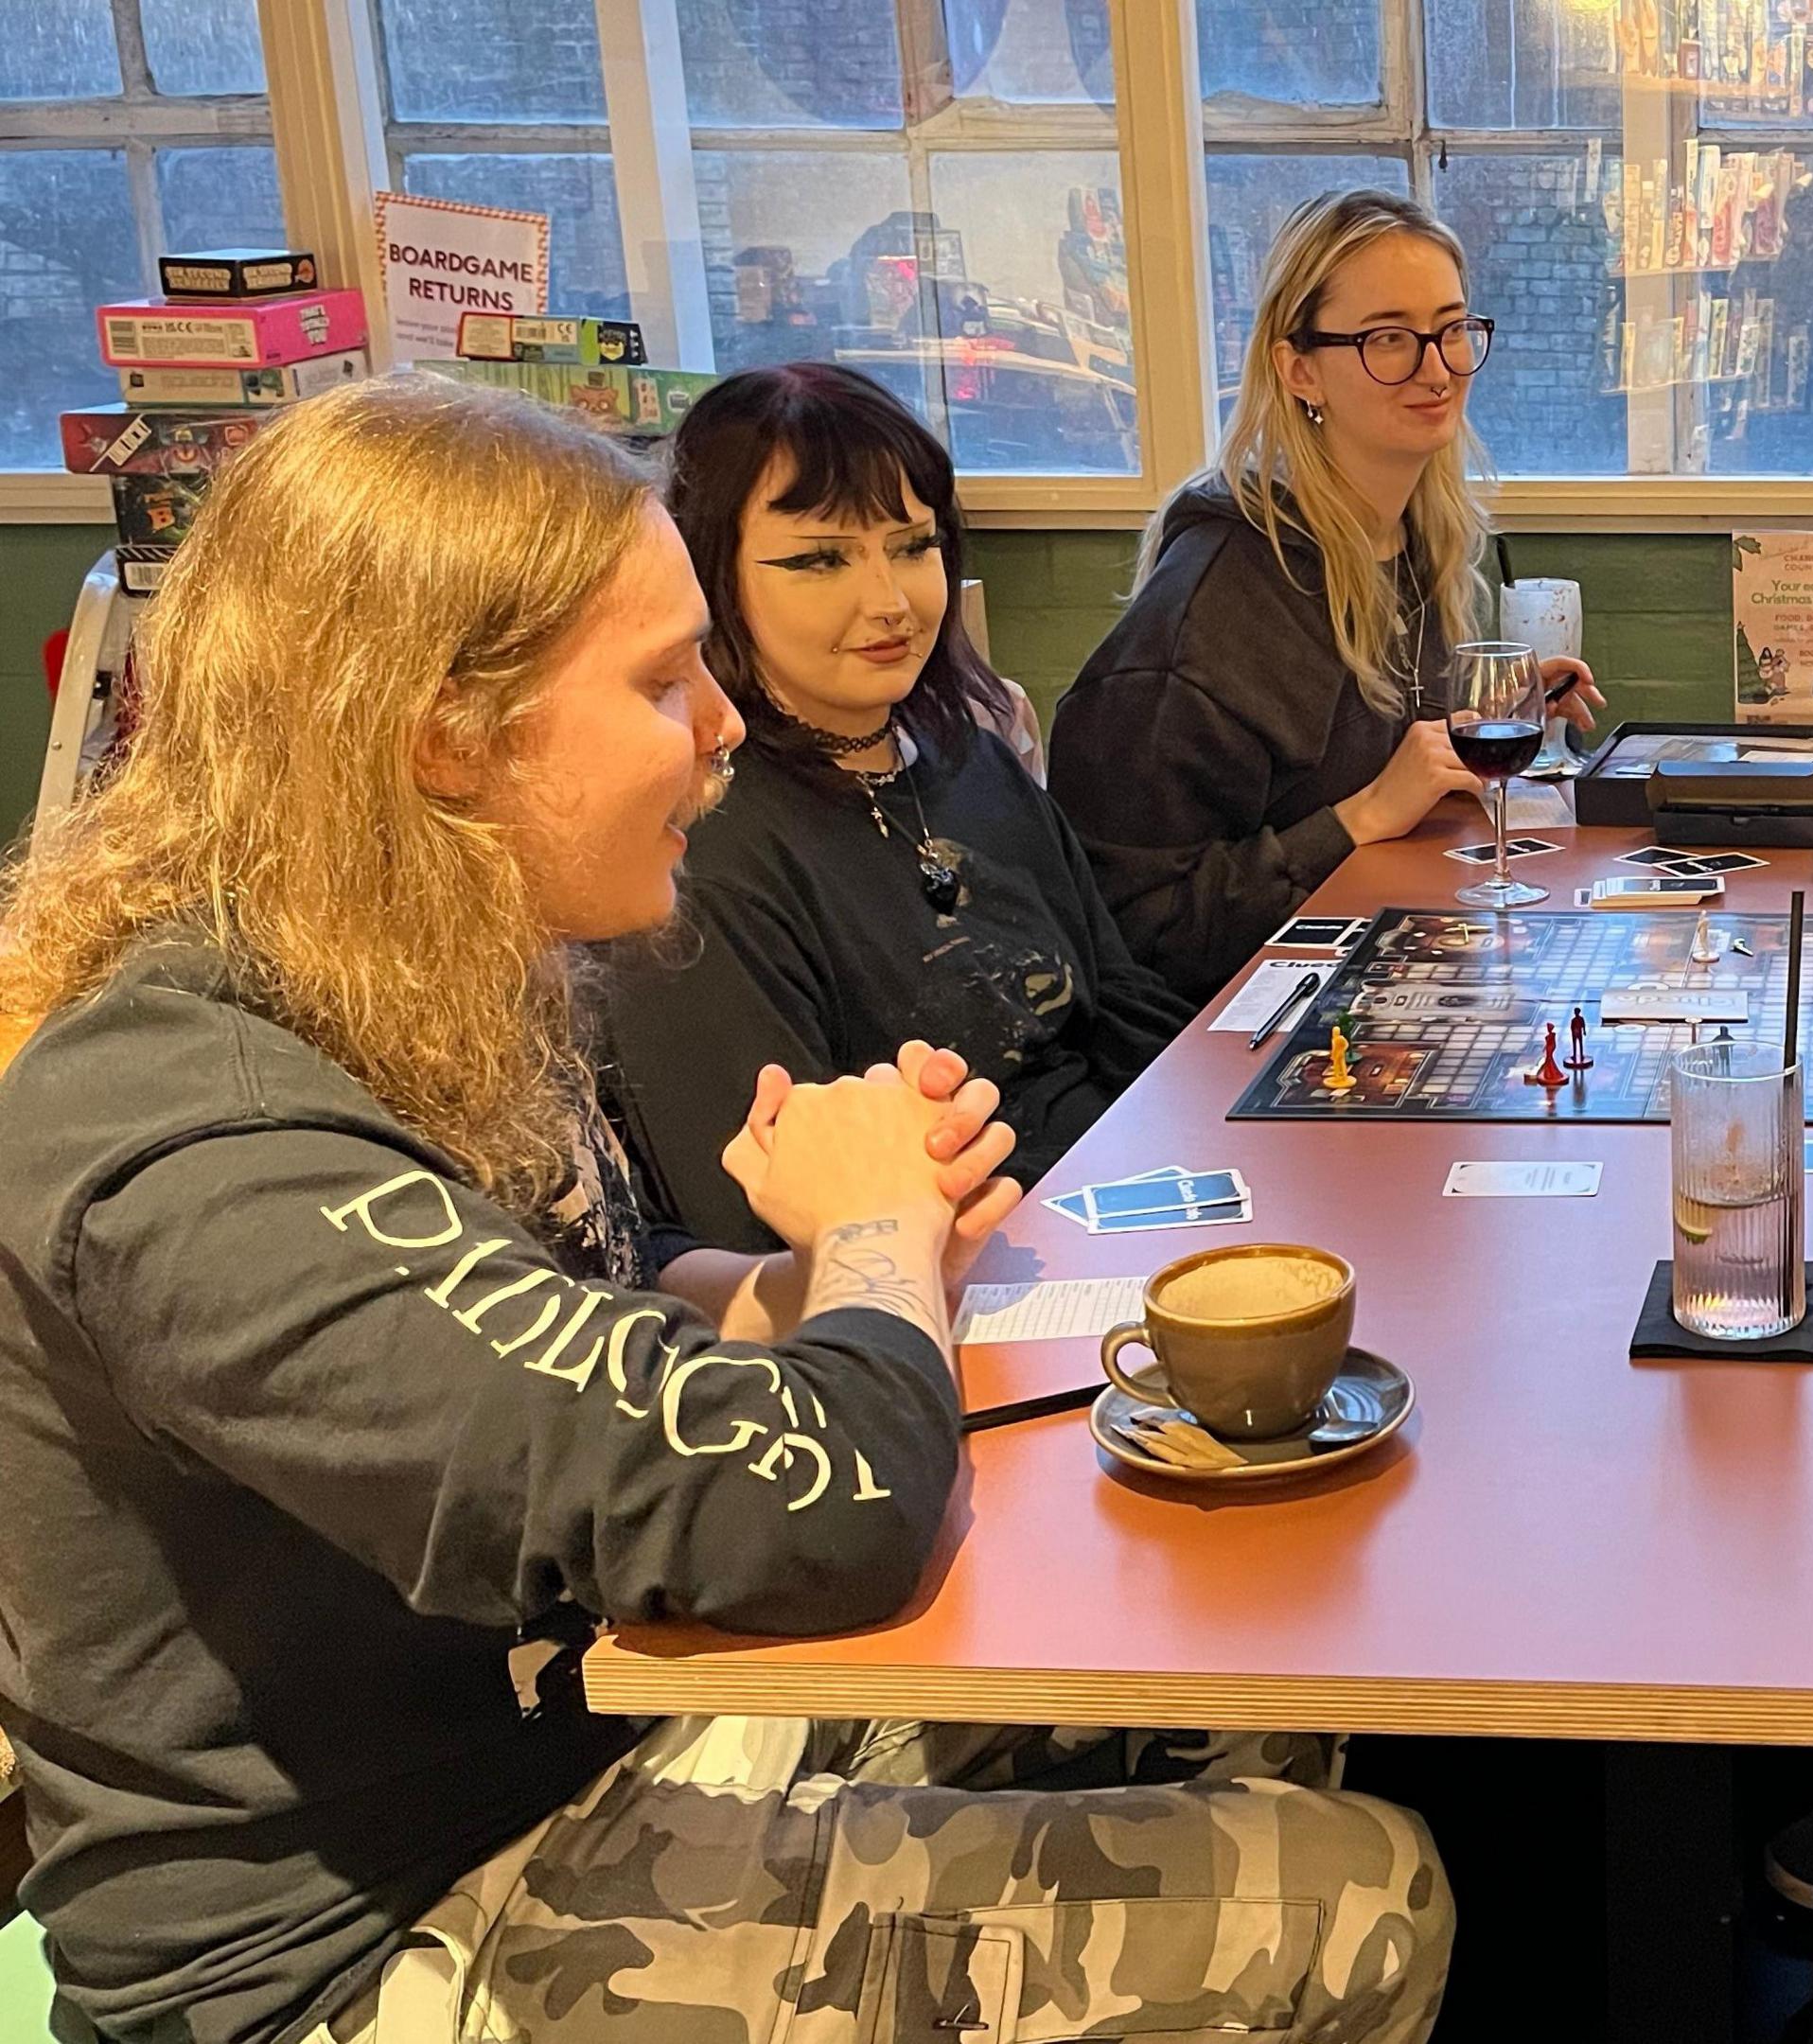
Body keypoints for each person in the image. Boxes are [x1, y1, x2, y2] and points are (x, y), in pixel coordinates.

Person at [0, 378, 1451, 2044]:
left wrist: (825, 1268)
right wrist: (879, 1248)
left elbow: (596, 1307)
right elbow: (835, 1519)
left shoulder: (413, 977)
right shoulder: (202, 1139)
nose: (722, 725)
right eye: (659, 679)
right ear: (445, 734)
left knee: (1253, 1690)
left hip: (613, 1731)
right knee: (1357, 1899)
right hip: (379, 1938)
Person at [599, 362, 1194, 1253]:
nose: (890, 602)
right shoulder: (697, 850)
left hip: (1114, 1197)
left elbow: (1118, 1005)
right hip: (941, 1268)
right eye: (820, 559)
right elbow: (757, 1223)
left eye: (914, 547)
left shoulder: (968, 755)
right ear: (710, 577)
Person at [1053, 190, 1601, 1000]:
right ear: (1299, 369)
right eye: (1389, 339)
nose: (1436, 370)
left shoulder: (1411, 537)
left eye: (1452, 330)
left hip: (1379, 979)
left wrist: (1487, 717)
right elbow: (1135, 930)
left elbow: (1366, 747)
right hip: (1226, 1041)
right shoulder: (1212, 602)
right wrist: (1361, 817)